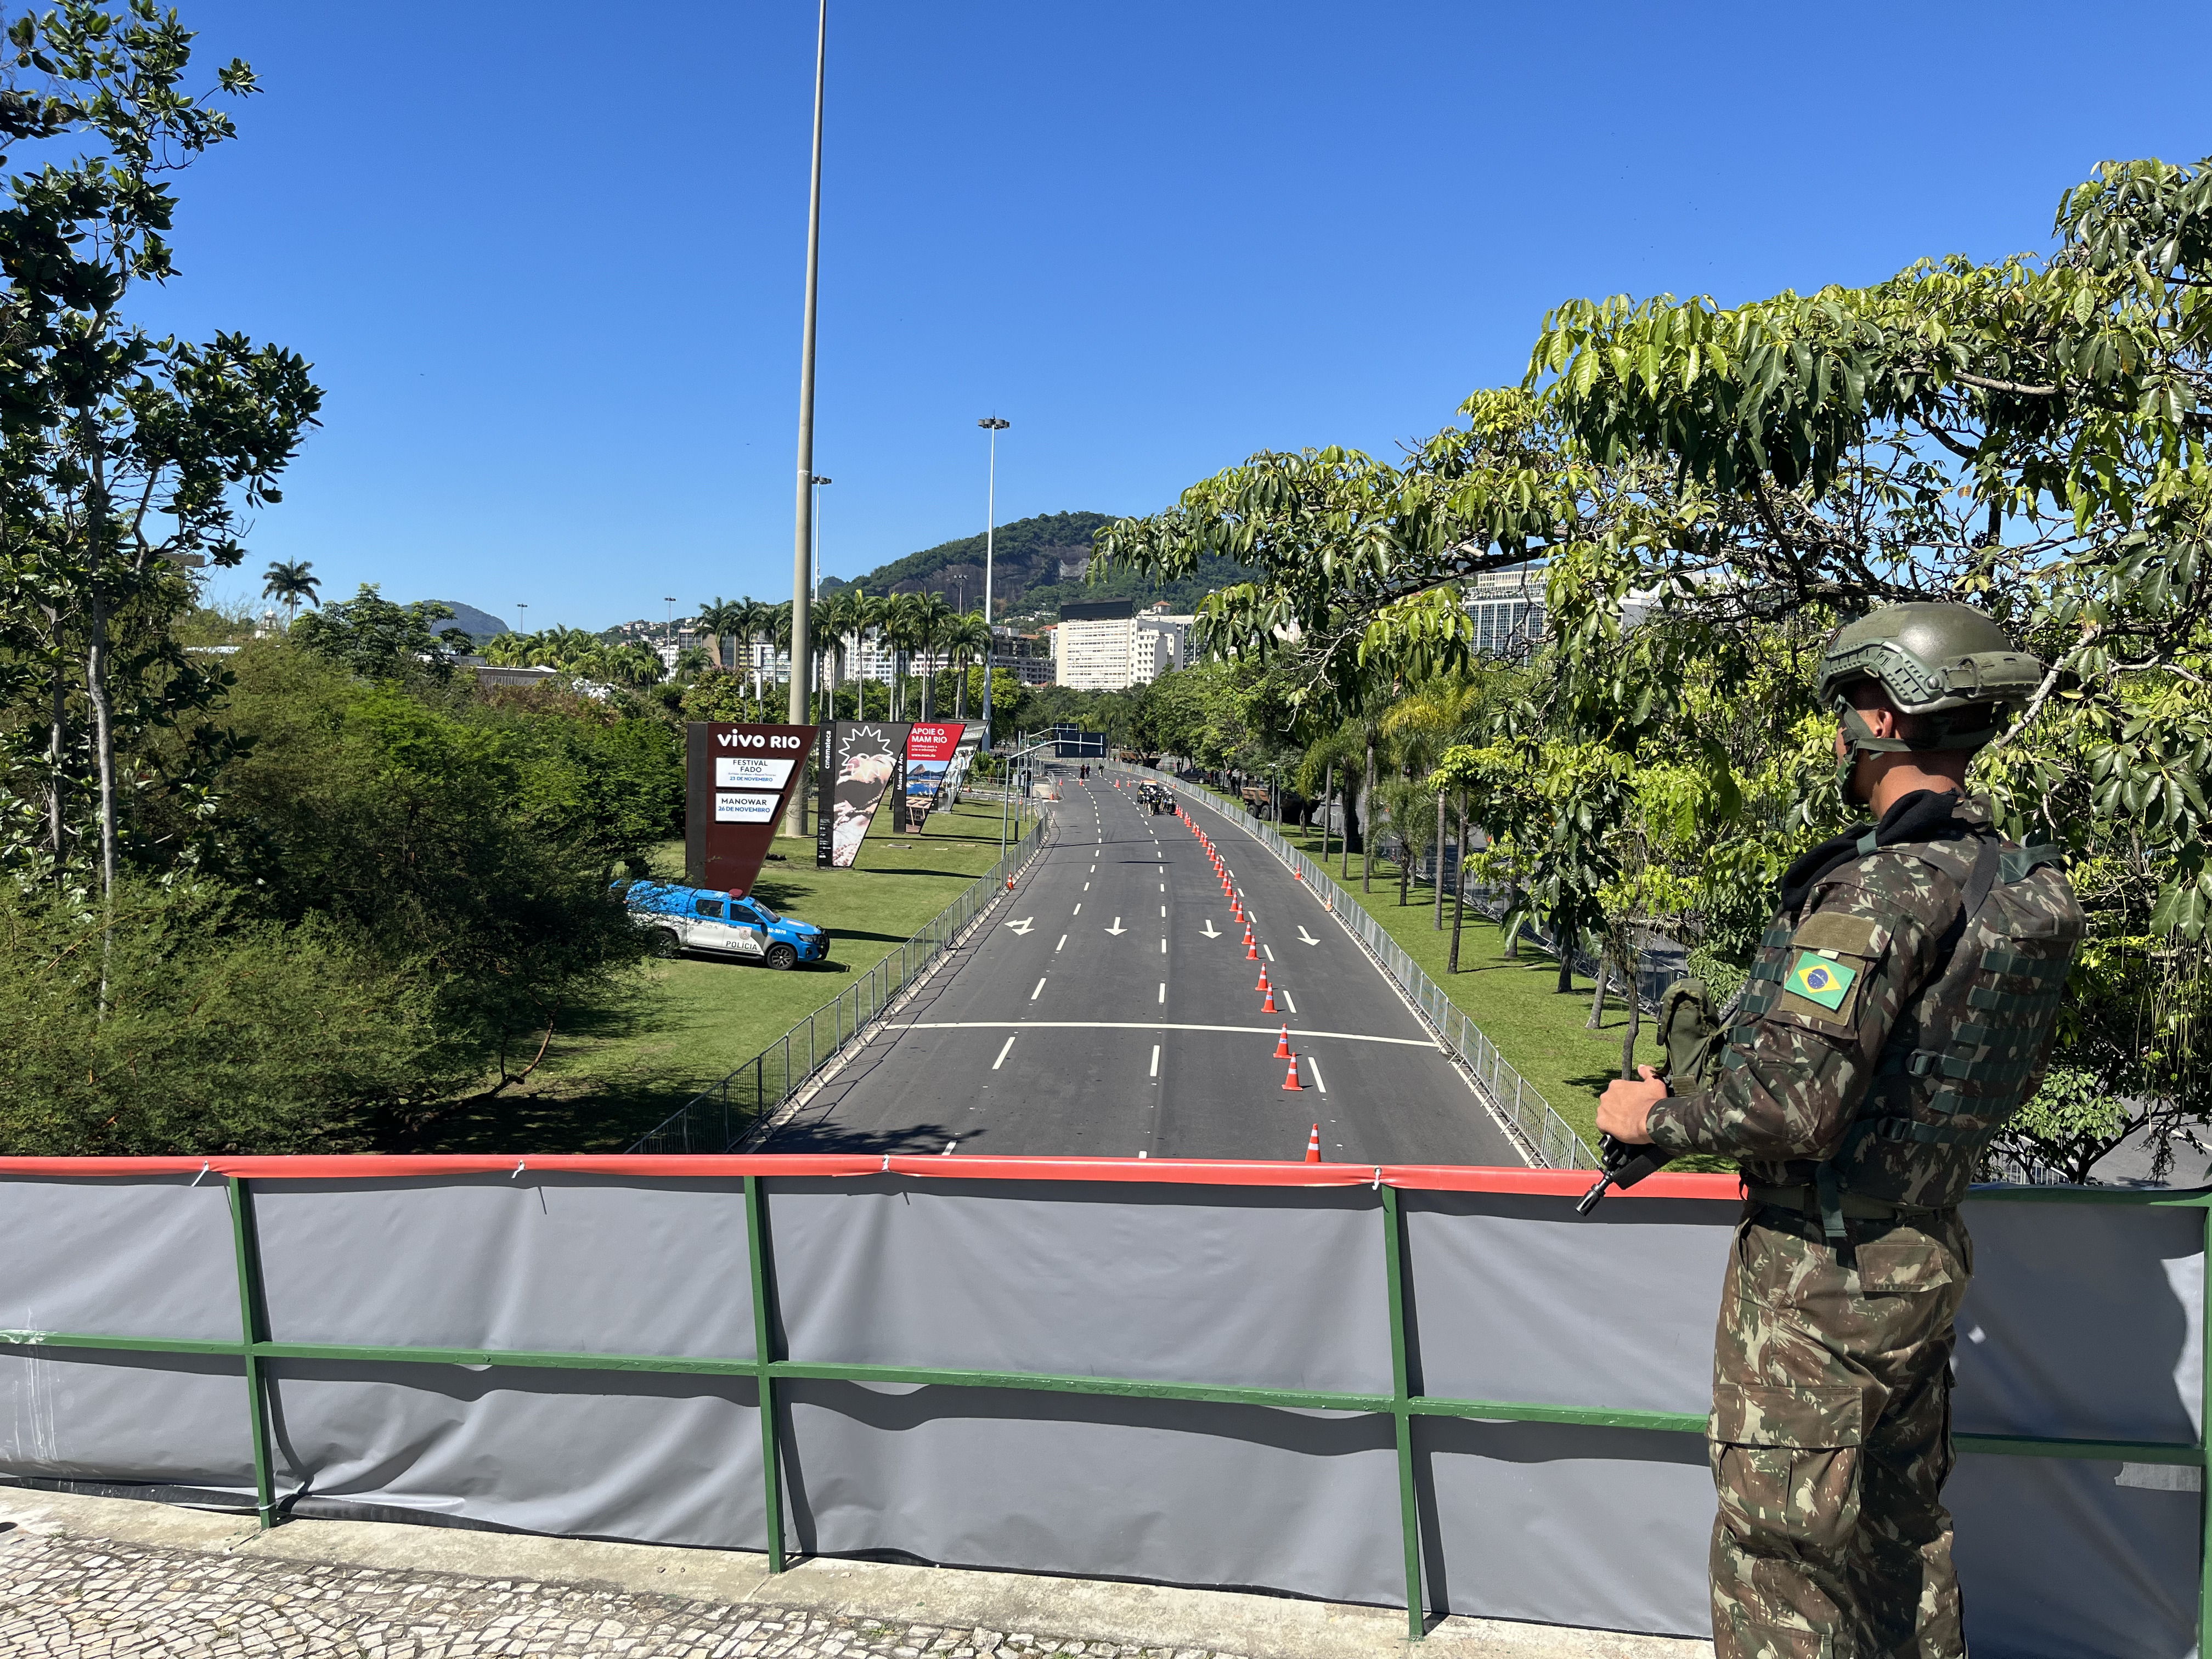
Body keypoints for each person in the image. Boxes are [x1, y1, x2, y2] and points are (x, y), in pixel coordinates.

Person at [1596, 603, 2084, 1659]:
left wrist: (1653, 1117)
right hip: (1923, 1249)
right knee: (1902, 1538)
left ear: (1888, 714)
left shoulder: (1884, 887)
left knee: (1783, 1553)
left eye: (1847, 708)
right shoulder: (2009, 880)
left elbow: (1789, 1104)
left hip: (1824, 1273)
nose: (1837, 735)